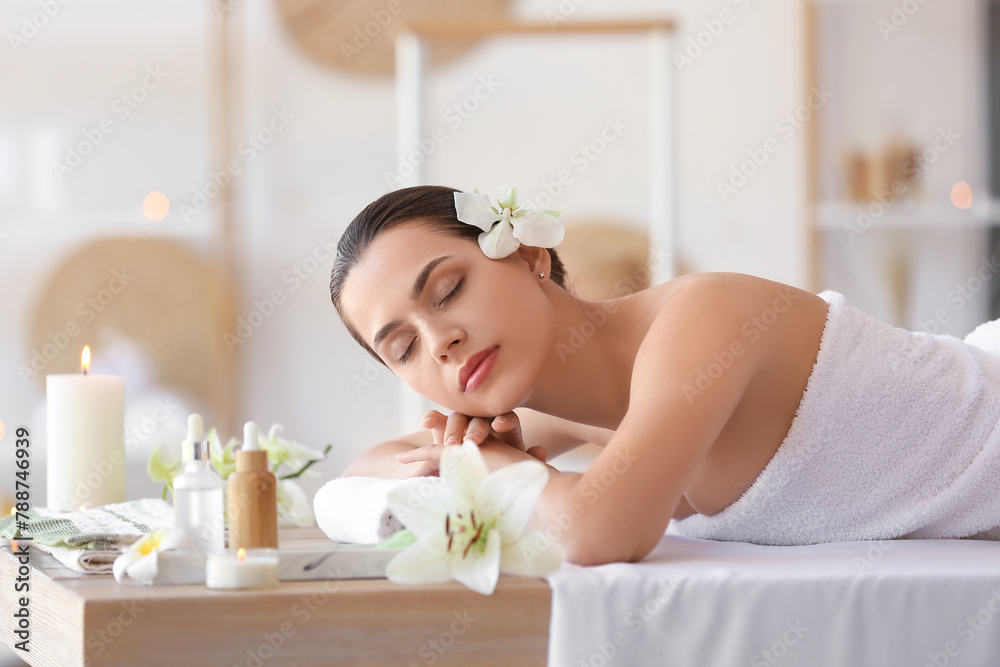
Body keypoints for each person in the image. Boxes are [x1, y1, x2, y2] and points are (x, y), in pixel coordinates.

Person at [329, 184, 1000, 566]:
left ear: (530, 254)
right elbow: (367, 468)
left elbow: (599, 530)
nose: (439, 341)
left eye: (447, 290)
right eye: (401, 347)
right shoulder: (560, 409)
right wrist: (465, 457)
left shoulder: (702, 320)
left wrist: (495, 471)